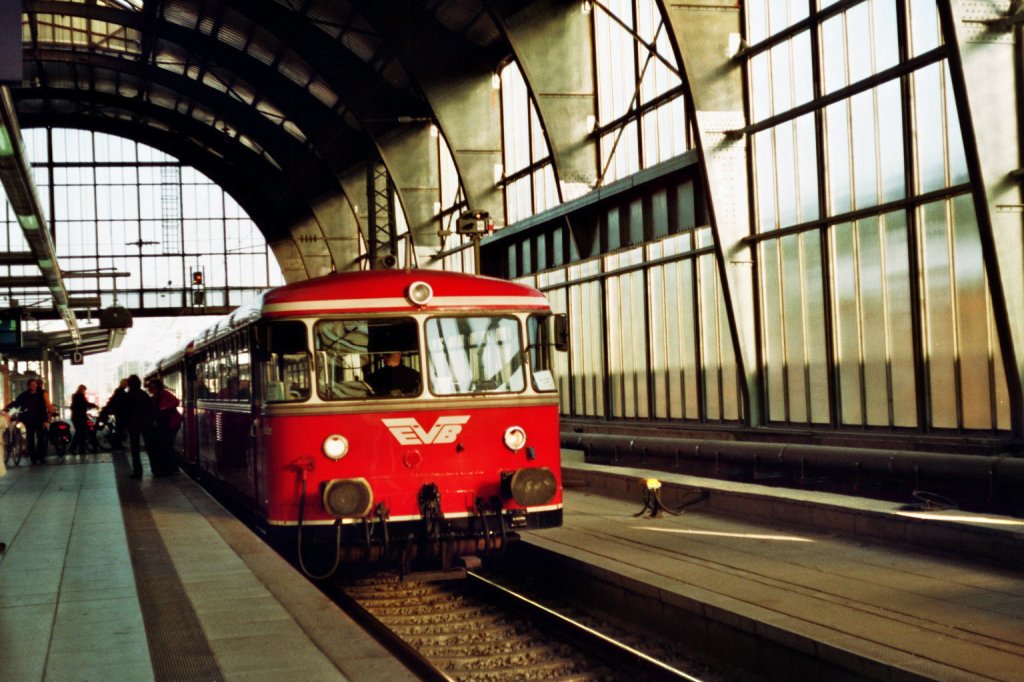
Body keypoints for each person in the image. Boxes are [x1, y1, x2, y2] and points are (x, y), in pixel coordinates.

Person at [3, 378, 55, 464]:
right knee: (30, 438)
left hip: (39, 419)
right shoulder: (24, 395)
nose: (34, 386)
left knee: (41, 438)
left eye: (35, 385)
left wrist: (46, 419)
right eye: (32, 385)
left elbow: (44, 408)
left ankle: (40, 457)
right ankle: (33, 458)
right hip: (29, 419)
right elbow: (16, 403)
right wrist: (7, 408)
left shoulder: (41, 394)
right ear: (29, 386)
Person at [147, 378, 181, 477]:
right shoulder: (154, 397)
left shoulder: (164, 393)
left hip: (172, 423)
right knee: (167, 445)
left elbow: (176, 402)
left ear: (157, 387)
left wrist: (165, 407)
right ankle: (171, 467)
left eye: (152, 387)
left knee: (167, 444)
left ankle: (173, 467)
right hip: (165, 424)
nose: (151, 389)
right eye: (150, 387)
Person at [121, 375, 151, 479]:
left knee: (135, 449)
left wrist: (124, 426)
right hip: (146, 424)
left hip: (133, 425)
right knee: (149, 446)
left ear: (129, 384)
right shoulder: (144, 394)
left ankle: (138, 472)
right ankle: (155, 469)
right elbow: (150, 409)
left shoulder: (127, 396)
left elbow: (125, 412)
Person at [98, 379, 128, 449]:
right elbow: (119, 402)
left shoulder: (119, 390)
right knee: (120, 429)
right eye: (126, 383)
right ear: (124, 384)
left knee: (119, 428)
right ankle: (117, 444)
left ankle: (118, 443)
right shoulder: (120, 391)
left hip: (118, 412)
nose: (127, 385)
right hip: (120, 413)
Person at [68, 385, 98, 455]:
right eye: (84, 390)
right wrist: (94, 405)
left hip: (76, 417)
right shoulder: (79, 396)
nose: (84, 391)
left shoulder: (75, 396)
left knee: (80, 433)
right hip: (79, 417)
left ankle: (81, 449)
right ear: (82, 390)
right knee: (80, 433)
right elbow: (85, 404)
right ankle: (74, 448)